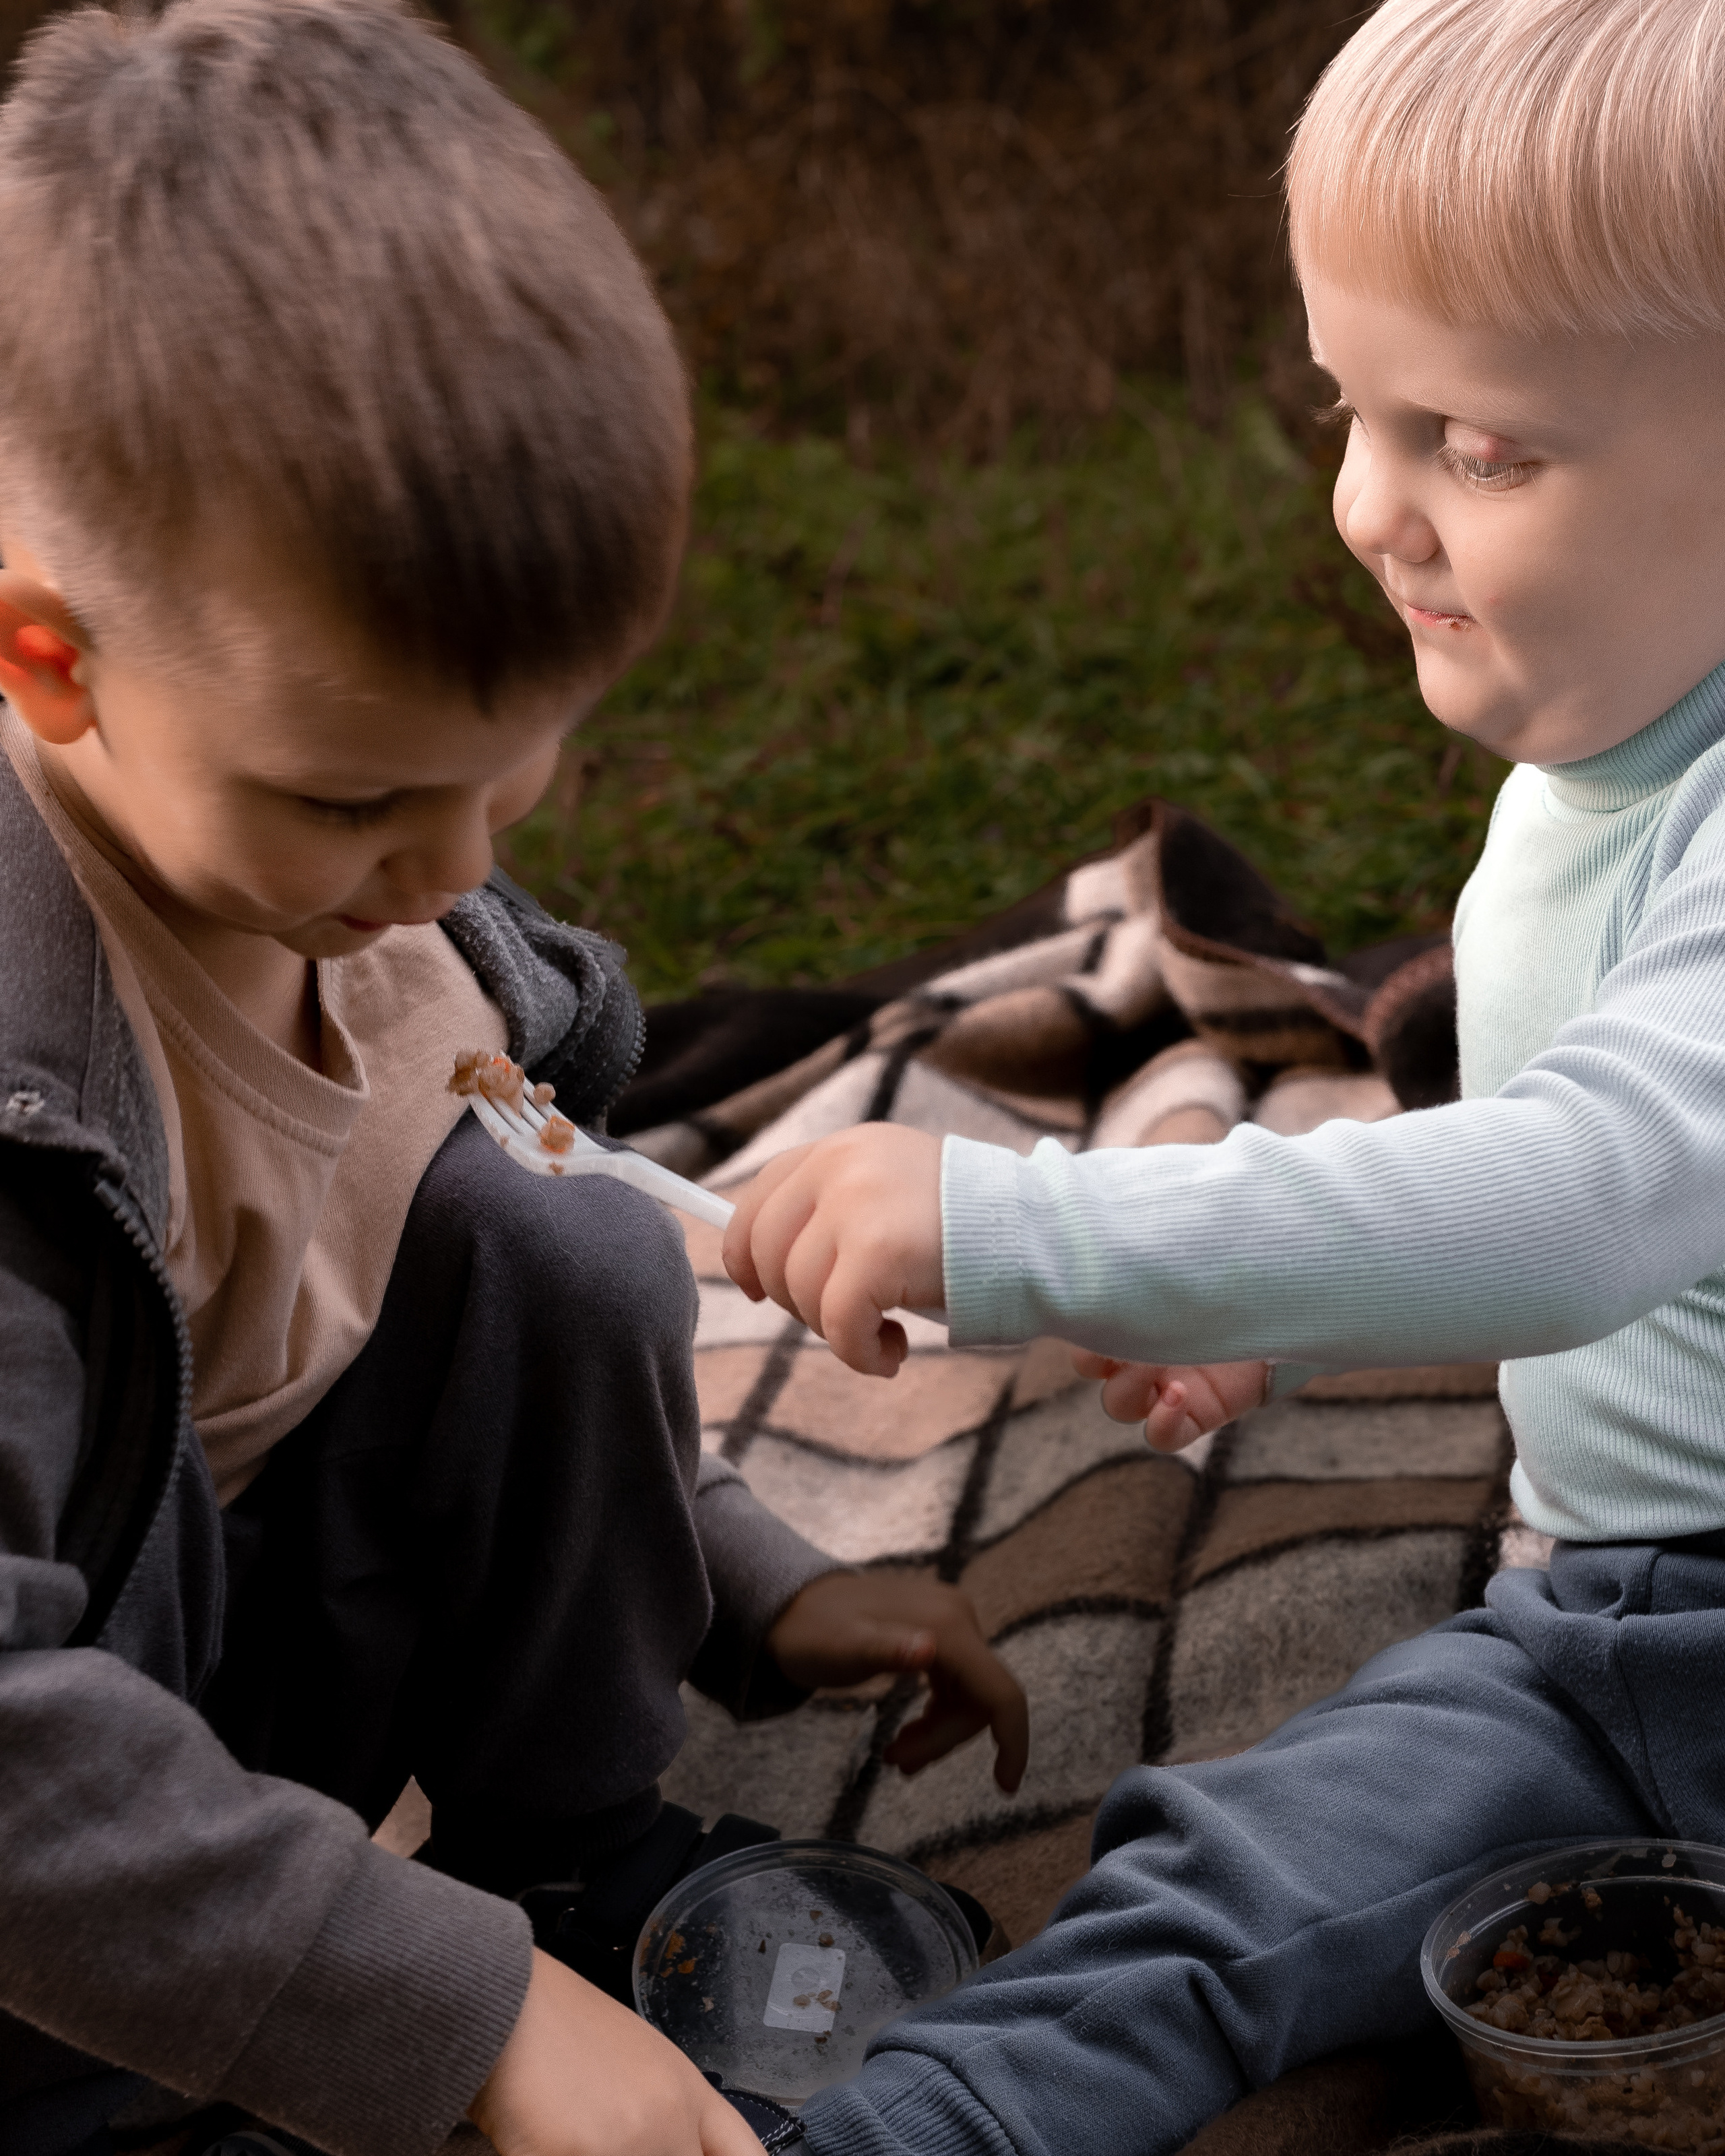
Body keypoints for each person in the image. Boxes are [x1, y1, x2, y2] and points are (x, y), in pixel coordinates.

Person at [0, 7, 1031, 2156]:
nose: (457, 875)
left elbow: (392, 1298)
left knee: (554, 1223)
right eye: (367, 794)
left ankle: (563, 1851)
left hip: (234, 1614)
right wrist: (466, 2030)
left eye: (515, 765)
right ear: (48, 654)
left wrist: (745, 1574)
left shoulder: (340, 889)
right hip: (52, 1842)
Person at [722, 0, 1725, 2148]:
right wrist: (1272, 1289)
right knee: (1229, 1903)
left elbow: (1592, 1197)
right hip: (1623, 1607)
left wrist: (1034, 1233)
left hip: (1674, 1615)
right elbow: (1568, 1139)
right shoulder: (1625, 733)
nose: (1371, 506)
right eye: (1354, 408)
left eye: (1481, 444)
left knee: (1235, 1909)